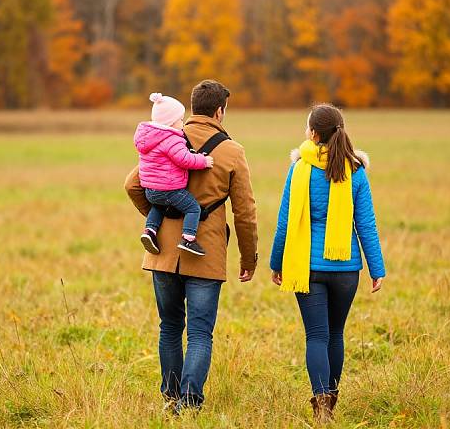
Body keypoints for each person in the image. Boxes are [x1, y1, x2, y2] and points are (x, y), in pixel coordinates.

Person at [124, 79, 258, 414]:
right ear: (220, 111)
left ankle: (169, 396)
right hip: (206, 253)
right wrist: (248, 257)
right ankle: (189, 401)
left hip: (162, 253)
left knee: (169, 326)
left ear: (193, 107)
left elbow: (132, 184)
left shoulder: (166, 137)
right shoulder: (232, 151)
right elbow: (245, 212)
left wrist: (161, 217)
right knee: (200, 333)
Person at [270, 103, 386, 425]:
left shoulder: (299, 169)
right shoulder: (356, 171)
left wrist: (276, 262)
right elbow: (366, 224)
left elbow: (285, 223)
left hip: (307, 266)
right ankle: (331, 399)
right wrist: (376, 269)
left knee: (316, 336)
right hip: (346, 268)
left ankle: (321, 402)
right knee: (336, 333)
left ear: (313, 133)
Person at [134, 92, 214, 257]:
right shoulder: (171, 139)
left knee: (158, 206)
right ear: (171, 122)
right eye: (180, 120)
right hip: (170, 189)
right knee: (193, 208)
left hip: (150, 190)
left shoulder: (148, 138)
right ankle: (188, 238)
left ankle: (150, 231)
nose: (182, 123)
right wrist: (203, 161)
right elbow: (184, 159)